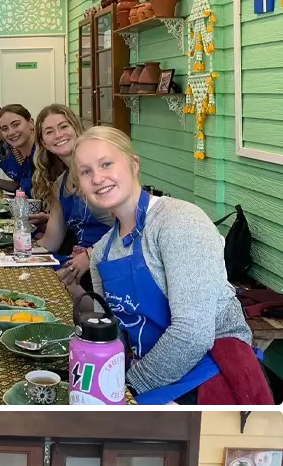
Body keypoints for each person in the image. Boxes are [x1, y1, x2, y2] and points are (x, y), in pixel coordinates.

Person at [72, 126, 274, 407]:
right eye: (85, 171)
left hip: (210, 381)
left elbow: (193, 333)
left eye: (106, 164)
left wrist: (128, 386)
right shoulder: (102, 253)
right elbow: (113, 334)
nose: (98, 178)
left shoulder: (179, 222)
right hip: (147, 383)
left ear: (133, 164)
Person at [34, 104, 114, 291]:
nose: (58, 135)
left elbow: (132, 228)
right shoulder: (59, 185)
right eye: (49, 132)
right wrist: (16, 253)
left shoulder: (100, 174)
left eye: (64, 127)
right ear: (44, 142)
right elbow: (51, 241)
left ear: (76, 129)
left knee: (49, 288)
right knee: (34, 279)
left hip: (108, 261)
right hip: (76, 261)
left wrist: (91, 255)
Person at [0, 104, 37, 197]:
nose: (11, 132)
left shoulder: (44, 155)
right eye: (5, 129)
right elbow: (22, 186)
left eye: (16, 125)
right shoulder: (5, 150)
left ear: (31, 123)